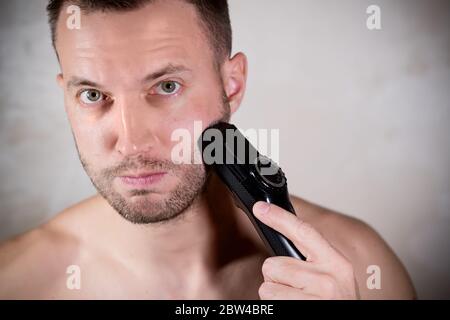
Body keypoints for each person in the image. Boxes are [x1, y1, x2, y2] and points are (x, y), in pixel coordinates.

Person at [0, 0, 416, 299]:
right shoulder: (17, 281)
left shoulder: (359, 266)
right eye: (92, 94)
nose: (130, 142)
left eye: (166, 87)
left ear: (231, 85)